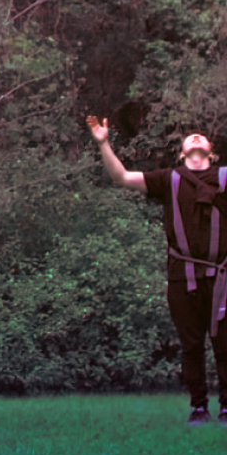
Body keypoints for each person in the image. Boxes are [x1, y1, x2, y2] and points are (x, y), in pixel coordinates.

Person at [87, 117, 227, 426]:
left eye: (200, 137)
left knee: (226, 345)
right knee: (191, 346)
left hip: (223, 277)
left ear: (211, 153)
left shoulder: (226, 177)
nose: (195, 139)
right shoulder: (169, 179)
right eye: (189, 138)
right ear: (181, 154)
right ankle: (199, 408)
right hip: (182, 277)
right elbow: (122, 177)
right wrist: (103, 143)